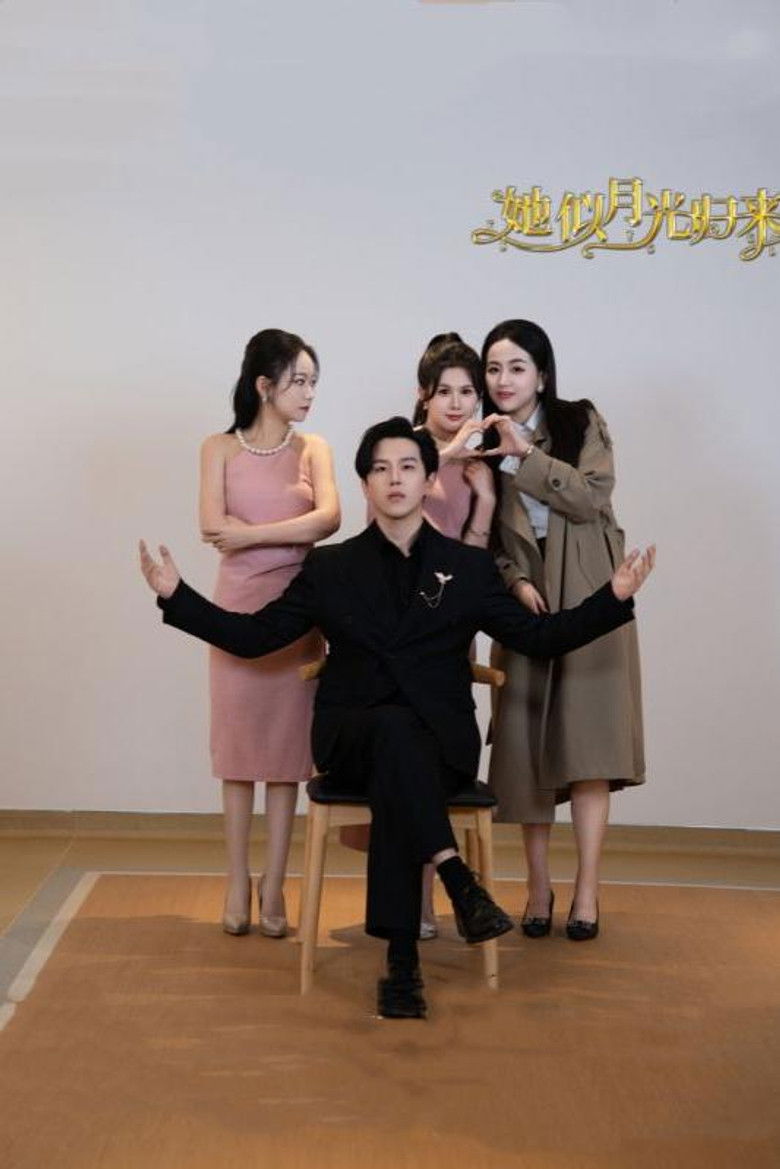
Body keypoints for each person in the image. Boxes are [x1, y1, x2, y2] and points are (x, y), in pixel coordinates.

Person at [140, 416, 654, 1019]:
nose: (395, 479)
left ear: (430, 479)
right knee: (391, 736)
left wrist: (613, 597)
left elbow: (540, 637)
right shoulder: (330, 567)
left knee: (400, 745)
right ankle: (448, 884)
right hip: (349, 741)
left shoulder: (467, 569)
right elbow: (256, 637)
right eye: (380, 469)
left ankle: (406, 958)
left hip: (441, 745)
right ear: (365, 485)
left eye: (408, 466)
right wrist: (176, 595)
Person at [480, 319, 645, 942]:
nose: (503, 380)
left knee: (588, 749)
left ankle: (587, 891)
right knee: (526, 751)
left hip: (590, 592)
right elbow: (484, 536)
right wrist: (513, 582)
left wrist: (526, 454)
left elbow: (589, 498)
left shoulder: (579, 421)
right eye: (493, 368)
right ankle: (538, 887)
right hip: (528, 601)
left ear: (542, 374)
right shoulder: (480, 439)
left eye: (517, 367)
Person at [199, 328, 339, 938]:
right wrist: (287, 530)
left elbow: (329, 520)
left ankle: (275, 884)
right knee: (236, 758)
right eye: (298, 381)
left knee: (286, 761)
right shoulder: (217, 448)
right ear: (264, 385)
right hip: (233, 610)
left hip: (298, 612)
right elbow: (211, 526)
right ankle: (236, 882)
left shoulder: (314, 448)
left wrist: (252, 534)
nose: (309, 393)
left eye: (313, 382)